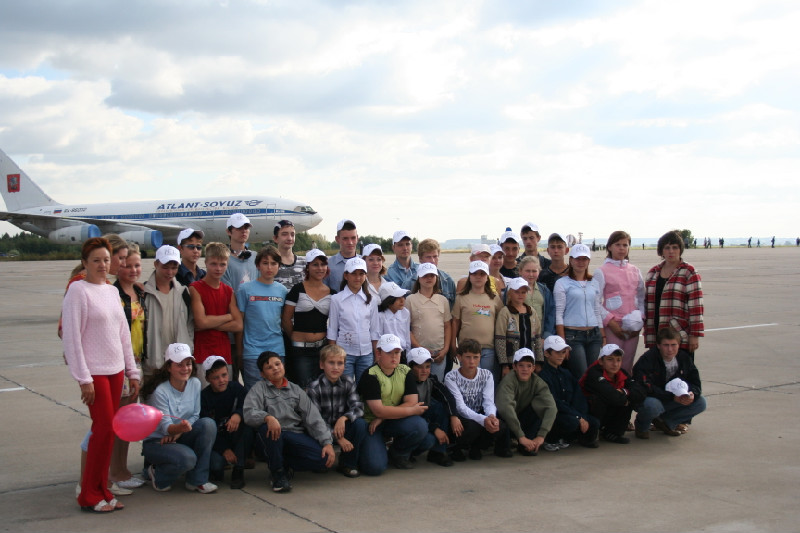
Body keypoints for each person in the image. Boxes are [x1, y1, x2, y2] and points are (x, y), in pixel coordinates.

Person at [62, 237, 141, 513]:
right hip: (94, 373)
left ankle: (103, 490)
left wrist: (132, 371)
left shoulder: (110, 291)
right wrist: (83, 378)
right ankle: (88, 494)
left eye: (106, 260)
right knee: (103, 429)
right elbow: (72, 338)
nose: (102, 265)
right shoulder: (78, 291)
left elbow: (123, 334)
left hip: (115, 370)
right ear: (84, 263)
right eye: (96, 260)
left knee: (110, 432)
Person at [243, 351, 335, 493]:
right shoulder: (258, 389)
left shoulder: (296, 390)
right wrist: (268, 417)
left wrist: (327, 442)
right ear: (262, 374)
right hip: (270, 437)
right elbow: (249, 413)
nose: (275, 368)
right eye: (269, 367)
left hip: (293, 435)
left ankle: (284, 463)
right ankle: (278, 474)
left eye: (277, 364)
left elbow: (313, 418)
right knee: (270, 430)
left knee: (324, 458)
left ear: (283, 365)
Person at [140, 343, 217, 494]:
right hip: (159, 441)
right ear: (169, 367)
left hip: (179, 434)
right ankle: (157, 473)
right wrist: (177, 430)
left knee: (208, 424)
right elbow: (166, 427)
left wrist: (180, 431)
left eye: (188, 364)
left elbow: (195, 414)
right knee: (188, 459)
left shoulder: (195, 383)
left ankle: (197, 480)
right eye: (179, 365)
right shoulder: (160, 392)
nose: (185, 368)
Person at [357, 334, 432, 472]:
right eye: (389, 352)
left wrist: (383, 417)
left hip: (389, 420)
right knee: (375, 467)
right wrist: (411, 411)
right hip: (371, 424)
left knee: (422, 430)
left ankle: (397, 453)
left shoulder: (405, 371)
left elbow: (412, 402)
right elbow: (378, 411)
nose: (394, 357)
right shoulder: (370, 375)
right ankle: (371, 449)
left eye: (397, 352)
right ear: (378, 353)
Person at [109, 243, 148, 491]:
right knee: (118, 420)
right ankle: (116, 472)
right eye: (127, 265)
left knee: (127, 420)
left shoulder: (139, 292)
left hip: (137, 362)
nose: (133, 270)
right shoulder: (113, 294)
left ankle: (120, 469)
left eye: (137, 265)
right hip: (121, 363)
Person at [305, 345, 369, 478]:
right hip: (320, 432)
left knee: (360, 424)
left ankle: (348, 463)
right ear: (322, 365)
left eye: (340, 363)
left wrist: (344, 418)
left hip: (341, 427)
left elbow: (358, 407)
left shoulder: (348, 382)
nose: (336, 367)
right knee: (320, 464)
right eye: (331, 363)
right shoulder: (313, 388)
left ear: (345, 366)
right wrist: (338, 438)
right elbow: (315, 421)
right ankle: (323, 458)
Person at [632, 327, 707, 439]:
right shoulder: (648, 359)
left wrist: (692, 393)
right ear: (658, 345)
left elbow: (695, 382)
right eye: (666, 345)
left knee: (701, 402)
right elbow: (645, 386)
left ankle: (666, 422)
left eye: (673, 345)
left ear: (679, 345)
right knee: (652, 405)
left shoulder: (684, 358)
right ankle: (642, 427)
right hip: (652, 398)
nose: (670, 349)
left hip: (673, 398)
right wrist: (671, 396)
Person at [444, 339, 512, 461]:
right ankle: (456, 447)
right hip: (460, 417)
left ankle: (477, 447)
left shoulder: (487, 375)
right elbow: (460, 406)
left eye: (475, 357)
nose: (472, 361)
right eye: (468, 357)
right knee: (472, 426)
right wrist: (483, 420)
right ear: (459, 357)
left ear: (480, 357)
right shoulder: (451, 377)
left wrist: (491, 416)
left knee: (499, 426)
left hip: (480, 414)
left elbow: (488, 401)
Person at [189, 242, 242, 386]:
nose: (218, 269)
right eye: (213, 264)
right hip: (202, 353)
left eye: (222, 264)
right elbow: (201, 322)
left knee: (223, 395)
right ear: (205, 262)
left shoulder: (228, 291)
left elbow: (238, 325)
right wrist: (228, 317)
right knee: (205, 395)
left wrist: (210, 323)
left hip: (224, 353)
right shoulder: (195, 288)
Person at [236, 246, 288, 390]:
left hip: (277, 350)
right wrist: (240, 352)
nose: (269, 267)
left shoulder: (282, 291)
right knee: (255, 394)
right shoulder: (245, 289)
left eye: (273, 263)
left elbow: (283, 320)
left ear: (279, 266)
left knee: (277, 392)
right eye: (265, 263)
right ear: (258, 265)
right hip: (253, 352)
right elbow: (239, 323)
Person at [644, 230, 704, 354]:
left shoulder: (689, 272)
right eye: (667, 248)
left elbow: (696, 307)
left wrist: (695, 334)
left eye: (675, 247)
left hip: (678, 334)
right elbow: (645, 303)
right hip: (656, 334)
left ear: (680, 249)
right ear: (661, 251)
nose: (671, 251)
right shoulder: (653, 273)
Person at [282, 249, 336, 387]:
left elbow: (335, 322)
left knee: (321, 388)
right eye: (315, 264)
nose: (320, 268)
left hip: (322, 349)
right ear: (307, 267)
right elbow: (286, 319)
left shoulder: (332, 293)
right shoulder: (297, 289)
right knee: (304, 388)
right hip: (301, 351)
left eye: (323, 264)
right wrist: (294, 337)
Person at [594, 230, 646, 373]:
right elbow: (595, 302)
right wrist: (610, 322)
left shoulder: (635, 270)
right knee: (611, 364)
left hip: (633, 327)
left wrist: (640, 320)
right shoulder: (601, 271)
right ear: (610, 247)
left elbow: (642, 298)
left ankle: (626, 386)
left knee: (627, 362)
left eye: (625, 245)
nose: (622, 248)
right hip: (613, 327)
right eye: (618, 245)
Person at [538, 335, 600, 450]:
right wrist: (577, 416)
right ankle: (551, 439)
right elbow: (554, 402)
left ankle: (571, 437)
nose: (561, 355)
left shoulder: (566, 373)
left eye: (563, 352)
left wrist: (581, 416)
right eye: (557, 352)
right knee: (571, 422)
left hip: (569, 412)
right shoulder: (543, 376)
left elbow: (578, 397)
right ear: (546, 353)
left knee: (594, 422)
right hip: (555, 414)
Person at [199, 355, 252, 489]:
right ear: (207, 379)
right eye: (216, 378)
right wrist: (224, 449)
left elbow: (249, 405)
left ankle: (238, 469)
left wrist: (238, 414)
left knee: (248, 425)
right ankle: (220, 466)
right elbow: (206, 431)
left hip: (236, 436)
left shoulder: (236, 388)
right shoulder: (204, 398)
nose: (222, 380)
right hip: (218, 440)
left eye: (224, 375)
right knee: (216, 465)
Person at [142, 245, 194, 377]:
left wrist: (189, 345)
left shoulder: (183, 293)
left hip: (179, 364)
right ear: (156, 264)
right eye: (165, 267)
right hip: (153, 365)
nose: (170, 272)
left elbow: (190, 324)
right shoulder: (144, 293)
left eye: (174, 268)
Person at [554, 243, 604, 380]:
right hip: (573, 336)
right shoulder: (562, 283)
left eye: (584, 259)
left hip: (594, 334)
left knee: (593, 375)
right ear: (571, 260)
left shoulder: (594, 282)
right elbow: (559, 313)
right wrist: (562, 341)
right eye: (577, 259)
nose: (581, 262)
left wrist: (603, 336)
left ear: (589, 261)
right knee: (581, 375)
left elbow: (597, 310)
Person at [495, 348, 557, 456]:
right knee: (502, 418)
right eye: (521, 365)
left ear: (533, 368)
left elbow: (551, 407)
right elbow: (506, 408)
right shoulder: (508, 381)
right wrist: (521, 436)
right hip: (505, 417)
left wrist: (541, 436)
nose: (525, 369)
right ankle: (503, 446)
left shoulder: (538, 382)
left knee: (537, 409)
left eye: (529, 366)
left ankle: (527, 445)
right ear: (514, 367)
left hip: (520, 416)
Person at [579, 344, 646, 444]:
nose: (615, 364)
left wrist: (624, 392)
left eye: (618, 360)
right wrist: (625, 397)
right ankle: (591, 433)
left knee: (630, 399)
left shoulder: (622, 373)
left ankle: (613, 433)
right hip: (586, 413)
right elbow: (610, 394)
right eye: (610, 359)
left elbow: (640, 392)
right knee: (599, 399)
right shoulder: (594, 373)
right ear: (601, 361)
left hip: (610, 408)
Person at [327, 257, 380, 382]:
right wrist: (333, 354)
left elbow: (374, 329)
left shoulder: (371, 300)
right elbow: (332, 329)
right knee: (345, 385)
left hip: (366, 353)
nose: (358, 277)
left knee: (364, 386)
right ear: (346, 276)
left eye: (361, 274)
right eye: (353, 274)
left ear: (365, 276)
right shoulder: (336, 299)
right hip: (344, 352)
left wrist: (376, 353)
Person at [406, 347, 461, 467]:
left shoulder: (430, 379)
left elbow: (447, 396)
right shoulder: (404, 382)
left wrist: (454, 416)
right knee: (427, 439)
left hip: (422, 419)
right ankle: (403, 453)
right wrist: (434, 428)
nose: (424, 371)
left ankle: (438, 452)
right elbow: (410, 414)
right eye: (420, 367)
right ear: (410, 367)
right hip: (409, 421)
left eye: (427, 367)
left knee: (441, 406)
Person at [451, 261, 504, 382]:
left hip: (488, 348)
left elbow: (500, 320)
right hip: (467, 349)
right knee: (470, 380)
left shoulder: (494, 297)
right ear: (469, 276)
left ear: (487, 277)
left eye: (482, 274)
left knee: (486, 380)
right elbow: (455, 322)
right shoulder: (461, 297)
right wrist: (453, 345)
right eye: (474, 274)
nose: (478, 277)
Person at [221, 213, 259, 381]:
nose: (243, 231)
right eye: (238, 228)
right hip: (233, 331)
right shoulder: (224, 259)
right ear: (229, 231)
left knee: (254, 380)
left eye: (246, 228)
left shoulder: (255, 257)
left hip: (253, 330)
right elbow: (228, 294)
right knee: (232, 379)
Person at [406, 263, 453, 381]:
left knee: (437, 384)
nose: (429, 278)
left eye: (432, 275)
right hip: (418, 352)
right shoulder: (410, 300)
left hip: (439, 353)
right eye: (425, 276)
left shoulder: (443, 300)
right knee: (419, 384)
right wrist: (419, 347)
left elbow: (447, 326)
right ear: (419, 278)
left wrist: (445, 350)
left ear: (436, 278)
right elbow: (406, 328)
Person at [495, 277, 541, 377]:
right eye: (517, 292)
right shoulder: (505, 312)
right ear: (509, 293)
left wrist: (538, 361)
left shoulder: (532, 312)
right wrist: (504, 364)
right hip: (511, 360)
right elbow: (500, 339)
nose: (520, 295)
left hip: (529, 359)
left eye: (523, 292)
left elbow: (537, 337)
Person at [402, 238, 456, 309]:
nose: (432, 260)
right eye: (428, 257)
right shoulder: (408, 284)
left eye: (435, 256)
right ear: (420, 259)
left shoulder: (448, 281)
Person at [518, 255, 555, 340]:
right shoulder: (513, 289)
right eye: (527, 271)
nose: (531, 274)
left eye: (534, 271)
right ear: (520, 271)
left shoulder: (544, 290)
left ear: (539, 272)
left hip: (540, 335)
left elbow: (551, 313)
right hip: (521, 335)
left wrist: (546, 334)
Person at [377, 281, 417, 357]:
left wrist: (408, 353)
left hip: (402, 351)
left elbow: (407, 335)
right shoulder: (380, 316)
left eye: (403, 296)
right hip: (387, 352)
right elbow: (379, 337)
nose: (402, 300)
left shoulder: (405, 313)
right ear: (388, 301)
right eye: (397, 298)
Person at [325, 219, 359, 291]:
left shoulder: (366, 262)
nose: (350, 242)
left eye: (353, 238)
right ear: (337, 239)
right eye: (345, 238)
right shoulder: (328, 265)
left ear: (357, 238)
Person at [273, 219, 306, 291]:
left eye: (292, 234)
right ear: (275, 238)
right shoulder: (270, 263)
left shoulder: (304, 263)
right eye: (284, 234)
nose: (289, 238)